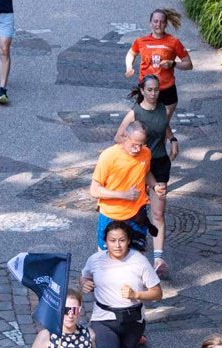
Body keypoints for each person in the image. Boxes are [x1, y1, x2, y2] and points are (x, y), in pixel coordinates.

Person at [81, 221, 162, 348]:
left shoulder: (139, 261)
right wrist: (85, 283)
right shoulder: (95, 260)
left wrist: (137, 295)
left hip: (132, 320)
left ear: (128, 241)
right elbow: (85, 276)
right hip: (104, 320)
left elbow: (157, 293)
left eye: (122, 240)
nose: (117, 245)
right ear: (105, 242)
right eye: (112, 240)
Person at [114, 75, 176, 277]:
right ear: (142, 90)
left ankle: (158, 260)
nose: (154, 93)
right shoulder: (135, 112)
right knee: (136, 211)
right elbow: (118, 137)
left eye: (157, 90)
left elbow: (163, 125)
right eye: (150, 90)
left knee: (158, 213)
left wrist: (172, 139)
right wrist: (135, 149)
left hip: (159, 164)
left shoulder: (162, 108)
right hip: (139, 165)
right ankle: (129, 255)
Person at [90, 121, 166, 253]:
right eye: (134, 144)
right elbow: (94, 190)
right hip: (111, 215)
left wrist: (155, 186)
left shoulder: (146, 153)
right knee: (106, 257)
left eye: (141, 145)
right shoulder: (109, 156)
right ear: (125, 137)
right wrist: (123, 195)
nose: (137, 149)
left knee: (136, 257)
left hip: (136, 215)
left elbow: (145, 172)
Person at [124, 8, 193, 123]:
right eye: (155, 21)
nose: (158, 24)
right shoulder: (141, 41)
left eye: (161, 22)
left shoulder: (174, 42)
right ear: (150, 23)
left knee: (162, 125)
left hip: (166, 90)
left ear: (166, 24)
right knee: (143, 124)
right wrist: (129, 67)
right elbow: (131, 53)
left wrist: (173, 64)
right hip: (147, 89)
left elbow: (189, 65)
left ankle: (165, 140)